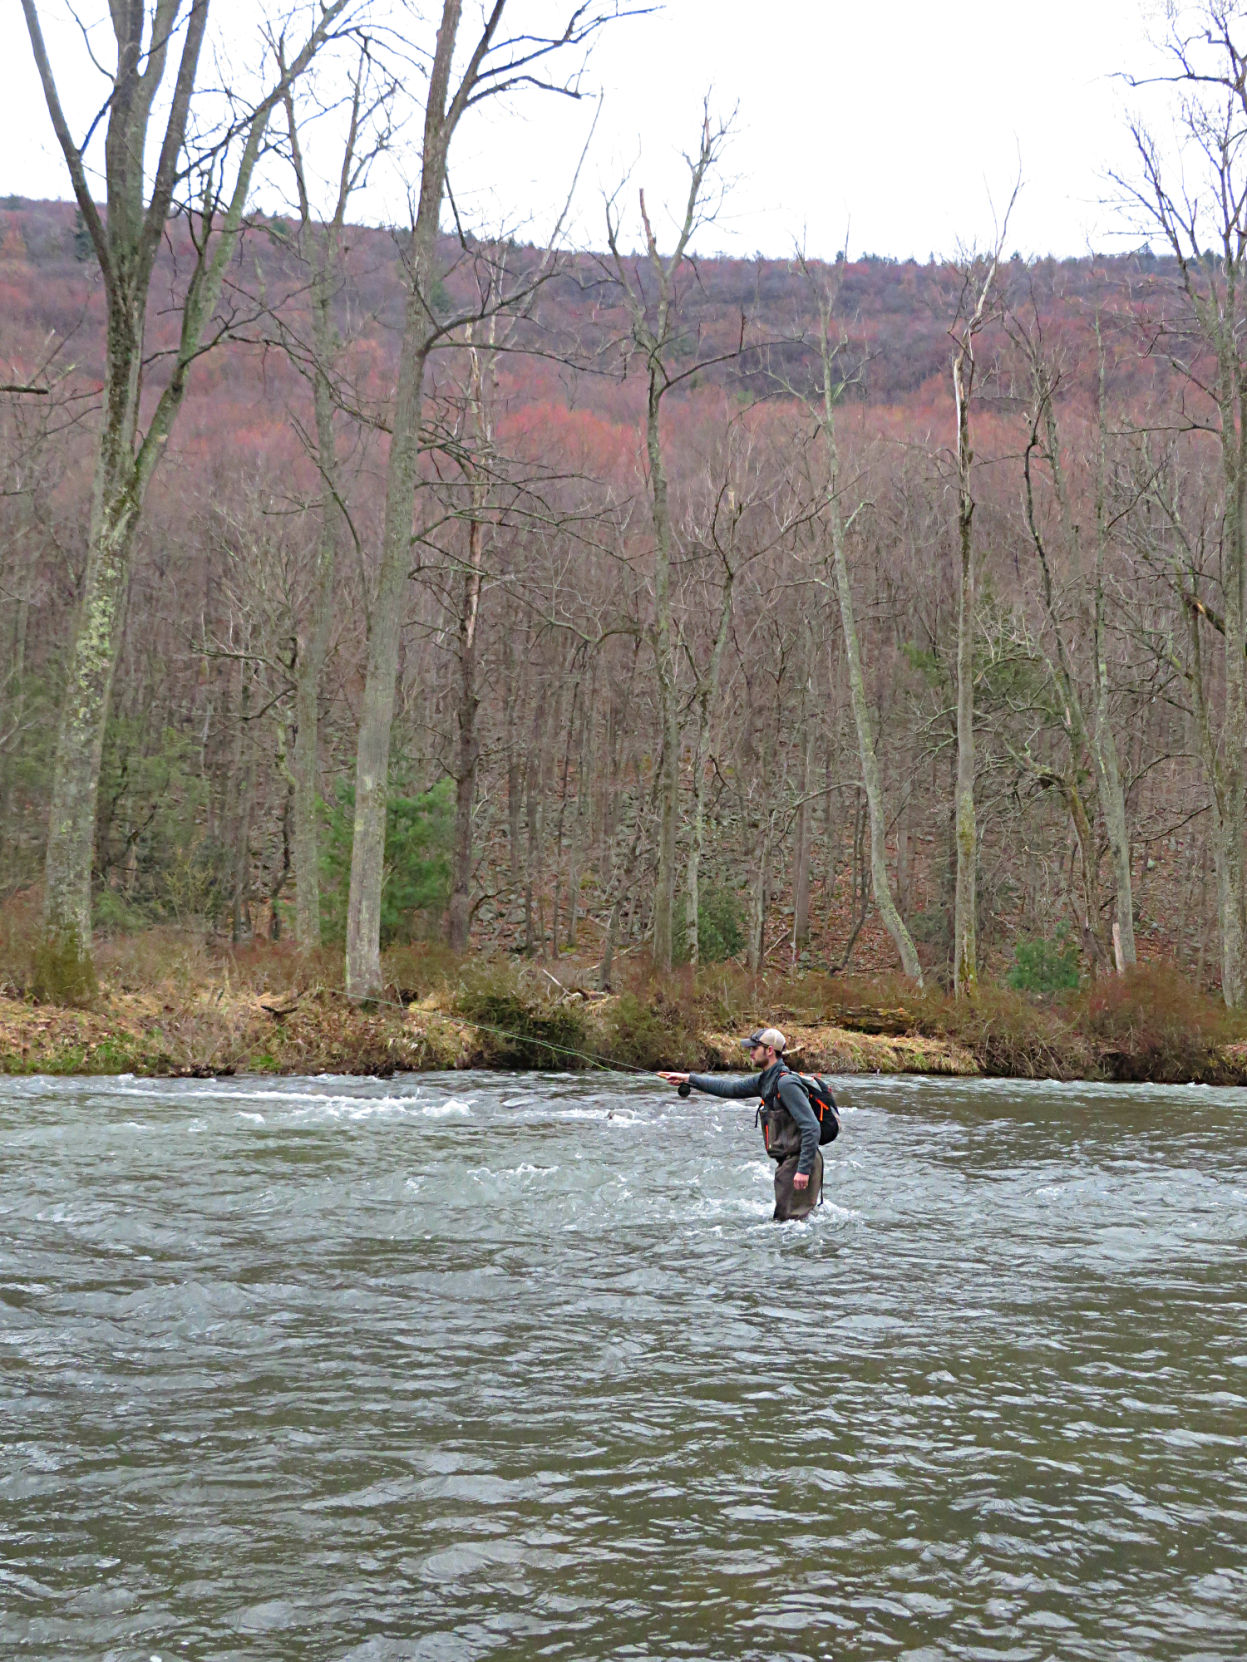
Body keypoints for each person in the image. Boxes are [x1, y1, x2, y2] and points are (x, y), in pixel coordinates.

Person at [658, 1026, 824, 1222]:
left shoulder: (786, 1084)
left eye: (754, 1048)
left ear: (769, 1050)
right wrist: (688, 1079)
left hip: (800, 1163)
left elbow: (812, 1127)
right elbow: (729, 1088)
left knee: (788, 1225)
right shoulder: (766, 1080)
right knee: (786, 1224)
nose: (750, 1053)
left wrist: (803, 1170)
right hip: (790, 1163)